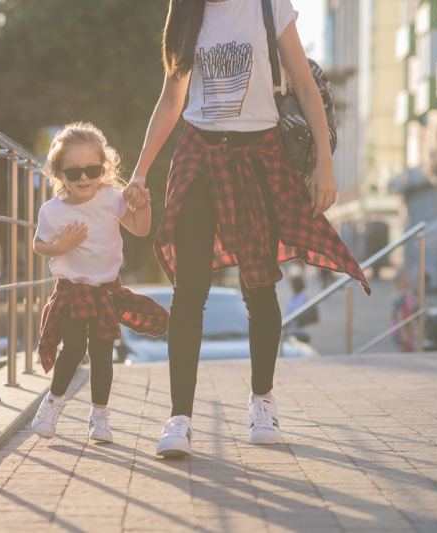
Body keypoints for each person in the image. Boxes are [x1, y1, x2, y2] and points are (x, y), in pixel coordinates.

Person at [123, 0, 370, 457]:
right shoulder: (185, 13)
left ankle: (262, 402)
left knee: (258, 286)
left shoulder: (269, 5)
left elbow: (304, 86)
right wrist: (139, 172)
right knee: (189, 289)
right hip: (199, 155)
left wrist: (325, 163)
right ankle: (179, 418)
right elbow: (171, 99)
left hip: (259, 155)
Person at [33, 122, 169, 443]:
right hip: (73, 290)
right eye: (74, 172)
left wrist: (144, 204)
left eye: (92, 170)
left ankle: (99, 417)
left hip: (107, 290)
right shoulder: (52, 211)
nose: (84, 179)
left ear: (103, 168)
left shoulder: (110, 198)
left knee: (103, 352)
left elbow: (139, 228)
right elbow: (39, 245)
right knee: (75, 346)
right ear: (59, 173)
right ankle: (52, 404)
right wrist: (59, 248)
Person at [391, 271, 417, 352]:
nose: (409, 279)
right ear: (401, 281)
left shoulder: (408, 294)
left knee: (410, 350)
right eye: (406, 277)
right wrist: (403, 334)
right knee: (406, 351)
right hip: (403, 329)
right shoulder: (400, 297)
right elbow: (399, 316)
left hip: (408, 328)